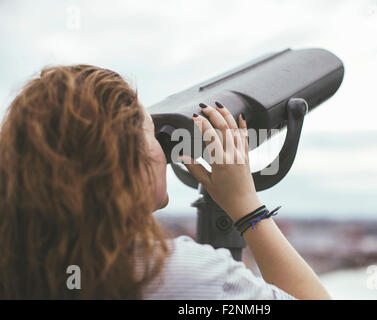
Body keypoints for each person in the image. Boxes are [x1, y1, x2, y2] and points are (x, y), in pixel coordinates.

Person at [0, 65, 330, 299]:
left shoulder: (19, 263)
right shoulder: (175, 276)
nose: (164, 149)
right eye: (151, 134)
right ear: (124, 161)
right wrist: (245, 206)